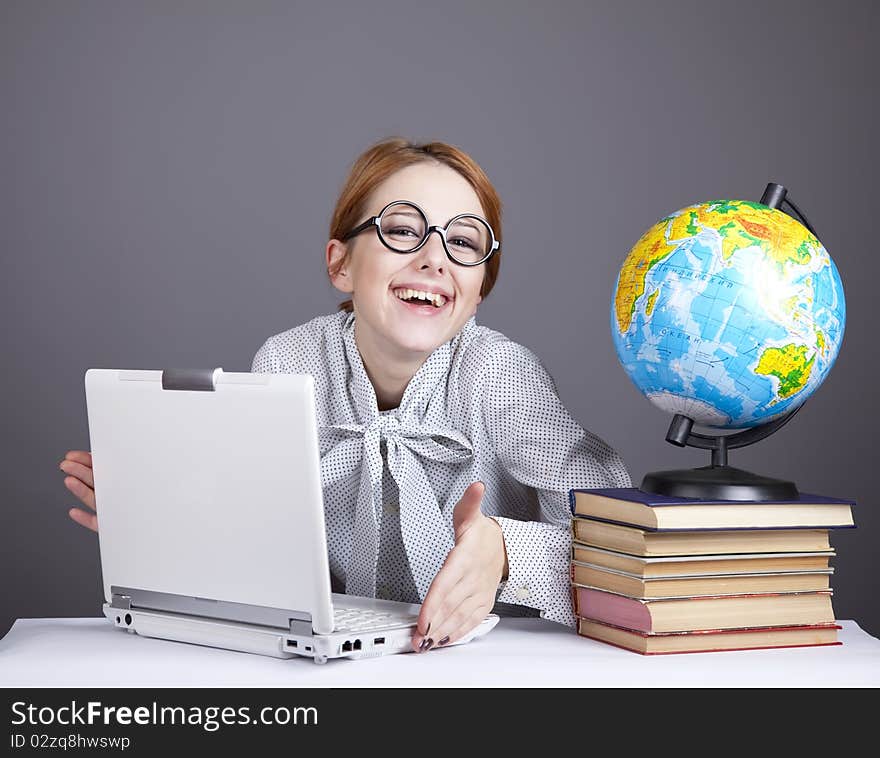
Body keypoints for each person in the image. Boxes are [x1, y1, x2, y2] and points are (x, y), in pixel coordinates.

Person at [60, 137, 632, 654]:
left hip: (484, 664)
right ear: (340, 265)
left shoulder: (502, 376)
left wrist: (506, 551)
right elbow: (262, 557)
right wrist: (167, 525)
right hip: (330, 664)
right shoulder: (288, 365)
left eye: (463, 242)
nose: (435, 258)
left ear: (479, 289)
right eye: (402, 230)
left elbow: (629, 552)